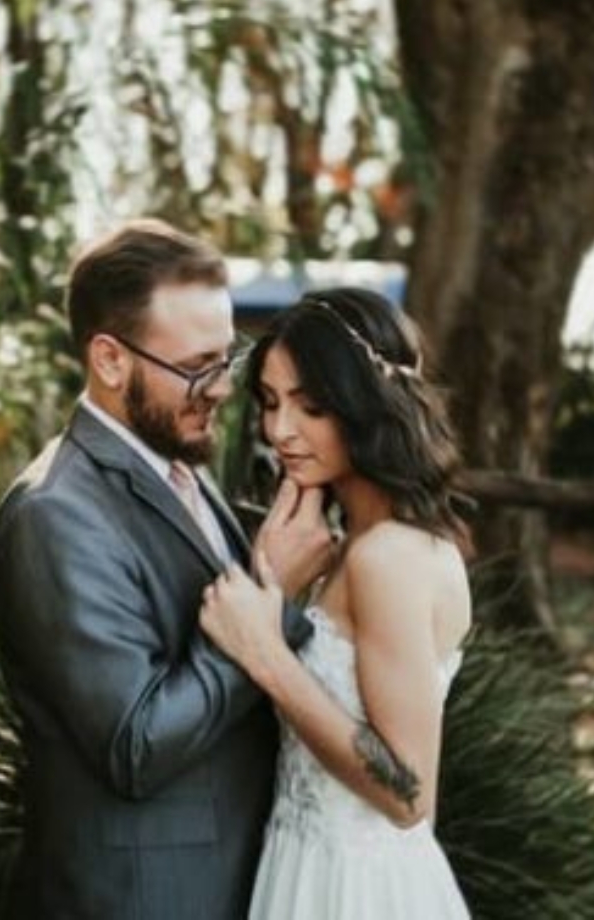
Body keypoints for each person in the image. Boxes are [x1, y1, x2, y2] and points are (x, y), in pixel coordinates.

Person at [0, 219, 335, 920]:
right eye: (197, 367)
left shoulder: (177, 467)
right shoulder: (54, 514)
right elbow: (135, 746)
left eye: (226, 358)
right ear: (110, 360)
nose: (222, 389)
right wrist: (273, 593)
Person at [198, 287, 474, 919]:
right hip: (298, 864)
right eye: (269, 403)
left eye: (311, 406)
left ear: (368, 406)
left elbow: (409, 794)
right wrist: (279, 585)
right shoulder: (353, 545)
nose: (279, 431)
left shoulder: (390, 559)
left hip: (357, 890)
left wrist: (267, 655)